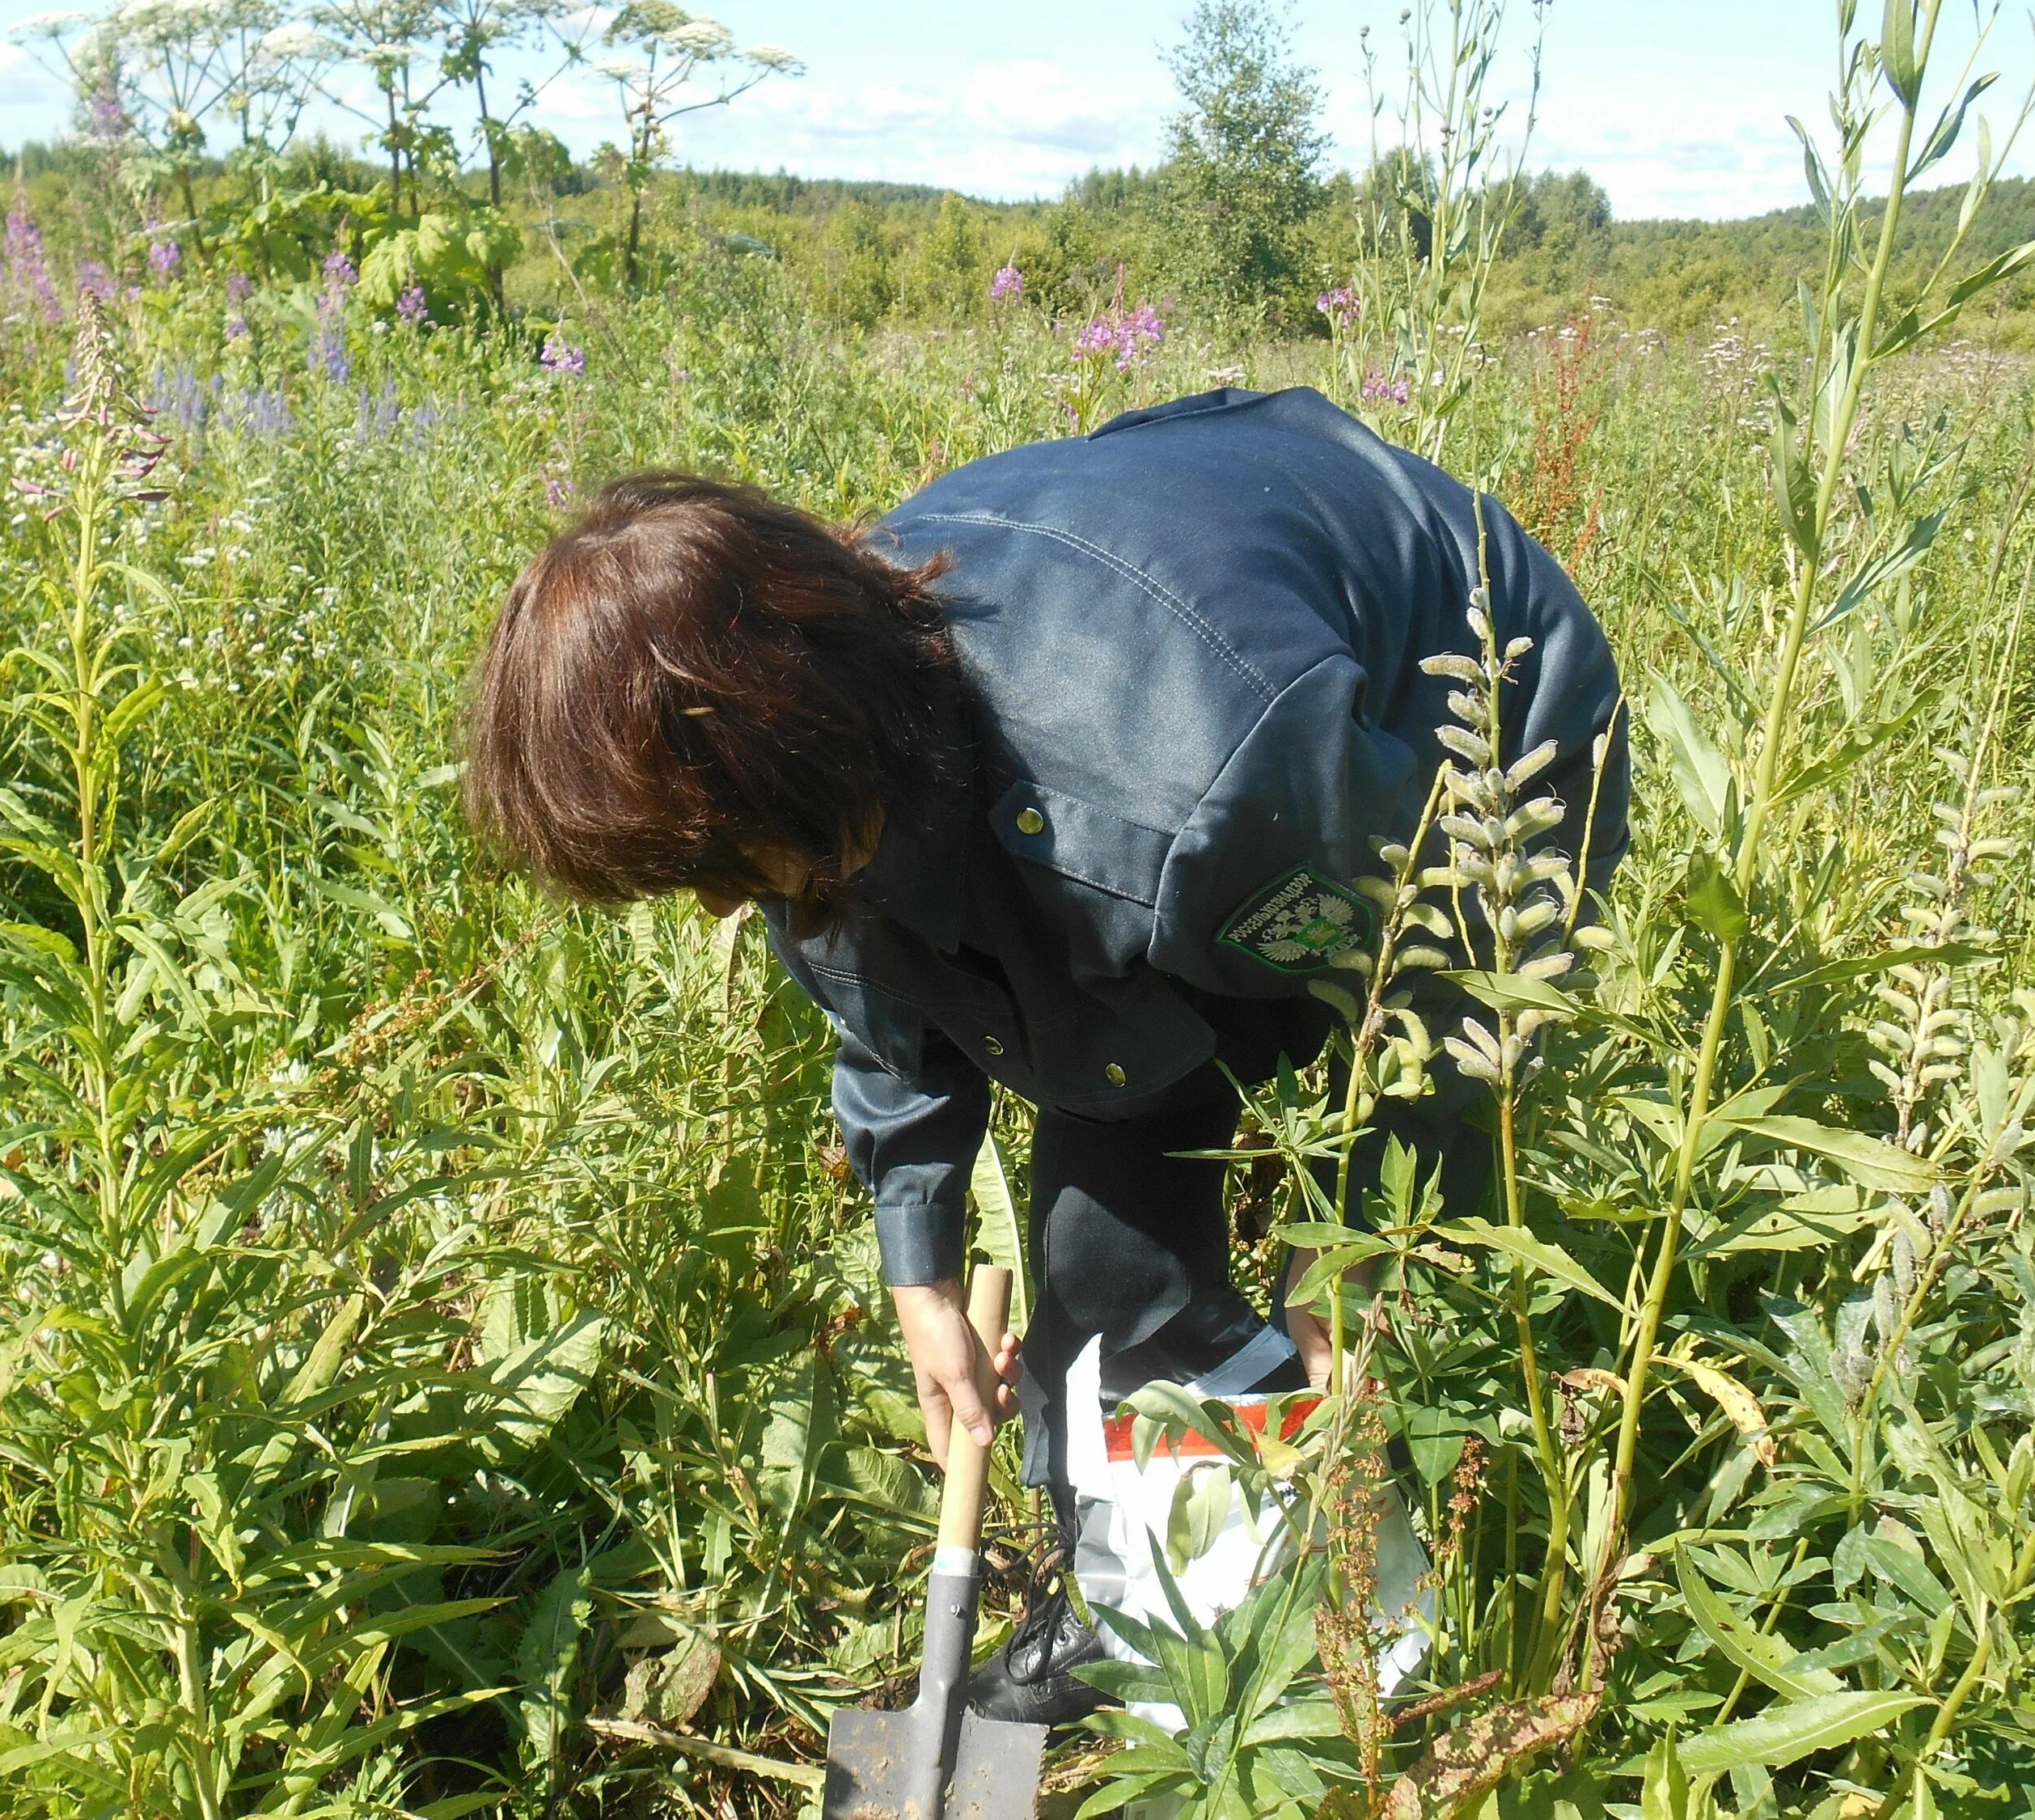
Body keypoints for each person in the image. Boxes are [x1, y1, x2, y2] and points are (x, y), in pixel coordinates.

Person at [466, 385, 1628, 1726]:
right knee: (1096, 1253)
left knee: (1384, 1290)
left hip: (1477, 727)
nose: (728, 906)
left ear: (807, 755)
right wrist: (922, 1268)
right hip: (1185, 733)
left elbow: (1440, 982)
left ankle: (1385, 1595)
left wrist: (1364, 1233)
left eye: (731, 866)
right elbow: (879, 987)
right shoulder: (826, 747)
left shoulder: (1194, 780)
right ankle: (1131, 1597)